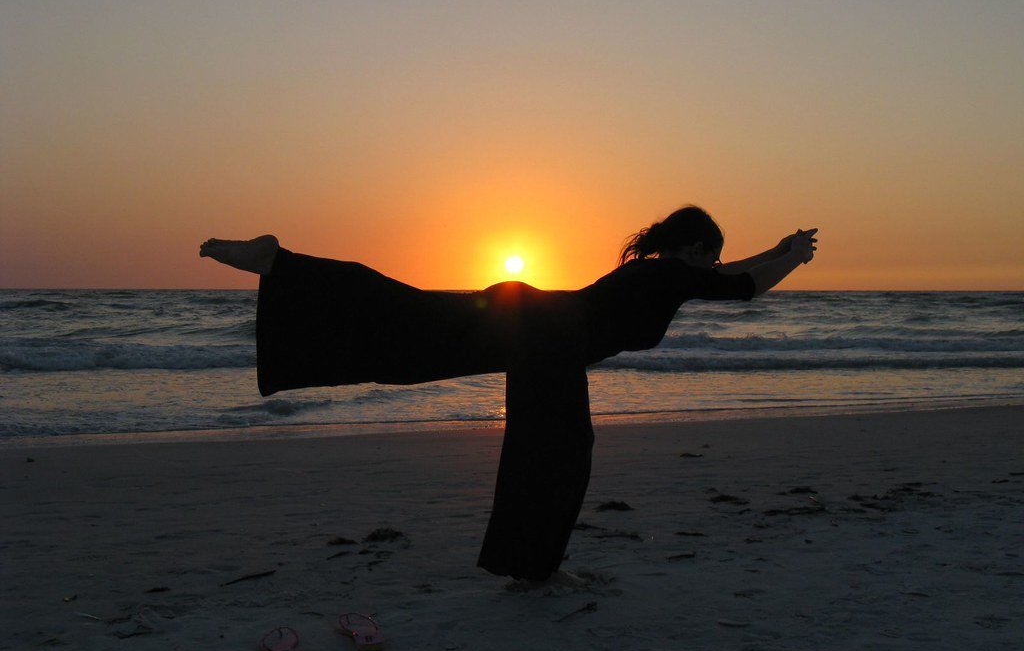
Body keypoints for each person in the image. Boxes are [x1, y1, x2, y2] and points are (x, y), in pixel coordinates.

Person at [200, 206, 817, 581]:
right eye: (713, 256)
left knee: (409, 322)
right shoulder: (671, 274)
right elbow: (744, 287)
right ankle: (534, 572)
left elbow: (734, 274)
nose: (715, 266)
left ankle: (282, 266)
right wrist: (793, 259)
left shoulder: (659, 272)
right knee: (561, 452)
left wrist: (782, 251)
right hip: (546, 335)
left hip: (530, 321)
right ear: (695, 249)